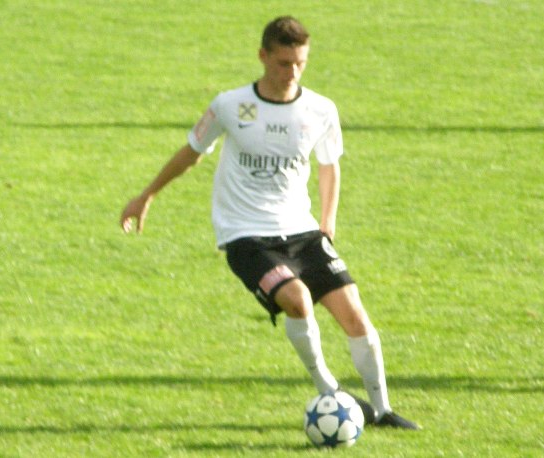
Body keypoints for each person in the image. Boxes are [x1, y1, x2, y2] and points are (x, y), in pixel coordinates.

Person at [120, 16, 419, 430]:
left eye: (300, 63)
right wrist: (147, 195)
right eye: (283, 63)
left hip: (302, 230)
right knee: (297, 299)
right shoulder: (230, 105)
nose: (292, 72)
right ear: (263, 56)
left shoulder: (321, 110)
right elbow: (191, 152)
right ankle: (330, 390)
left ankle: (382, 411)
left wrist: (327, 221)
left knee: (355, 317)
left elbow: (329, 166)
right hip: (245, 235)